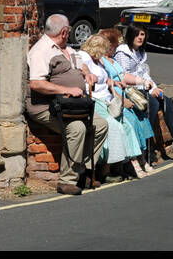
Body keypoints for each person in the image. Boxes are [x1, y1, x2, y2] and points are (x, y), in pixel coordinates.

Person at [26, 15, 108, 195]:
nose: (70, 32)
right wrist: (66, 89)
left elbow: (81, 66)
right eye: (69, 30)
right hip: (46, 107)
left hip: (72, 106)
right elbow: (36, 84)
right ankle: (66, 181)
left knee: (100, 125)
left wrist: (87, 74)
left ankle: (82, 171)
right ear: (64, 32)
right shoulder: (41, 51)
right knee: (77, 128)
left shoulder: (68, 49)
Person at [114, 23, 173, 162]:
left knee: (165, 100)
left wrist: (154, 89)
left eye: (142, 34)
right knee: (152, 103)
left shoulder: (140, 52)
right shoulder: (123, 52)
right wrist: (144, 85)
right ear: (130, 35)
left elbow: (145, 74)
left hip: (142, 86)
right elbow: (123, 75)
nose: (140, 37)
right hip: (129, 89)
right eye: (137, 34)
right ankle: (148, 146)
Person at [77, 34, 143, 179]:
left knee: (126, 125)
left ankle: (120, 166)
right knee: (113, 127)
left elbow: (103, 78)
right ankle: (105, 171)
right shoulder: (84, 56)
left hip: (108, 99)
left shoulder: (98, 61)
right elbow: (82, 67)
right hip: (96, 100)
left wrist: (113, 82)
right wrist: (87, 73)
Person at [101, 27, 153, 177]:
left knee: (141, 120)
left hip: (125, 94)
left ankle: (143, 159)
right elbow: (107, 85)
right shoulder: (103, 62)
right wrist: (123, 101)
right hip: (116, 99)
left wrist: (141, 81)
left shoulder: (112, 60)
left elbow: (124, 75)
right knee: (131, 123)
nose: (116, 48)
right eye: (115, 45)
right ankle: (134, 163)